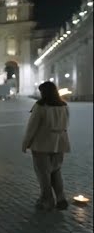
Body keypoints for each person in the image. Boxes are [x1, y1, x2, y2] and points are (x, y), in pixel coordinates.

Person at [22, 81, 70, 211]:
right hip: (60, 142)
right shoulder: (64, 105)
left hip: (42, 143)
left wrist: (25, 143)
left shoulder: (40, 106)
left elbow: (32, 127)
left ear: (44, 92)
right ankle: (61, 198)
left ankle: (47, 200)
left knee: (43, 173)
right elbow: (66, 124)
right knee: (56, 170)